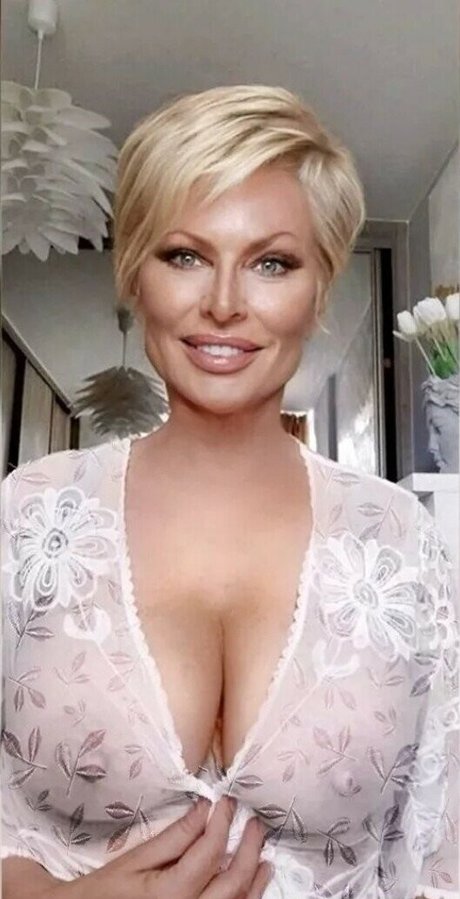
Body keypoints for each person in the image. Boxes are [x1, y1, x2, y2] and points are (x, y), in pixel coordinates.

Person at [1, 85, 458, 899]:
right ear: (133, 274)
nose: (222, 303)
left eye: (271, 263)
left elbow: (439, 855)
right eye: (184, 255)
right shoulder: (30, 514)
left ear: (319, 287)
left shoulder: (398, 539)